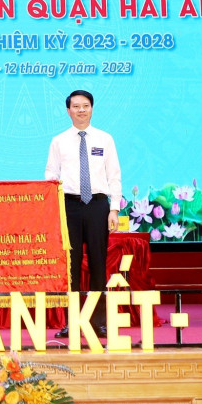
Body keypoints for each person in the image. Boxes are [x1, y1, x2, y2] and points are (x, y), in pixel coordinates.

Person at [44, 89, 122, 338]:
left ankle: (99, 322)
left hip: (98, 205)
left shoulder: (105, 139)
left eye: (85, 106)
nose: (81, 110)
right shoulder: (59, 141)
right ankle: (72, 322)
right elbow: (50, 175)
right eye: (76, 106)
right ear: (68, 111)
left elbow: (114, 176)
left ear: (92, 108)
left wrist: (114, 209)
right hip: (70, 206)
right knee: (71, 266)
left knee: (99, 263)